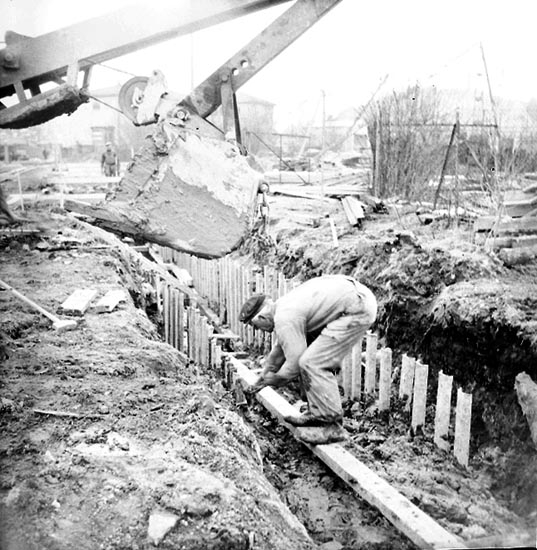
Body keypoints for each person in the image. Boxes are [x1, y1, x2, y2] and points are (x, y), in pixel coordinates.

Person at [240, 274, 377, 445]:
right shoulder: (284, 308)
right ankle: (316, 413)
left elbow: (294, 364)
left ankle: (331, 426)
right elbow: (279, 353)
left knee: (312, 363)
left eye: (255, 326)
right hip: (354, 300)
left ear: (261, 318)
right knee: (309, 354)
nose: (258, 330)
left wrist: (275, 380)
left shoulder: (284, 318)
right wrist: (261, 379)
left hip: (356, 308)